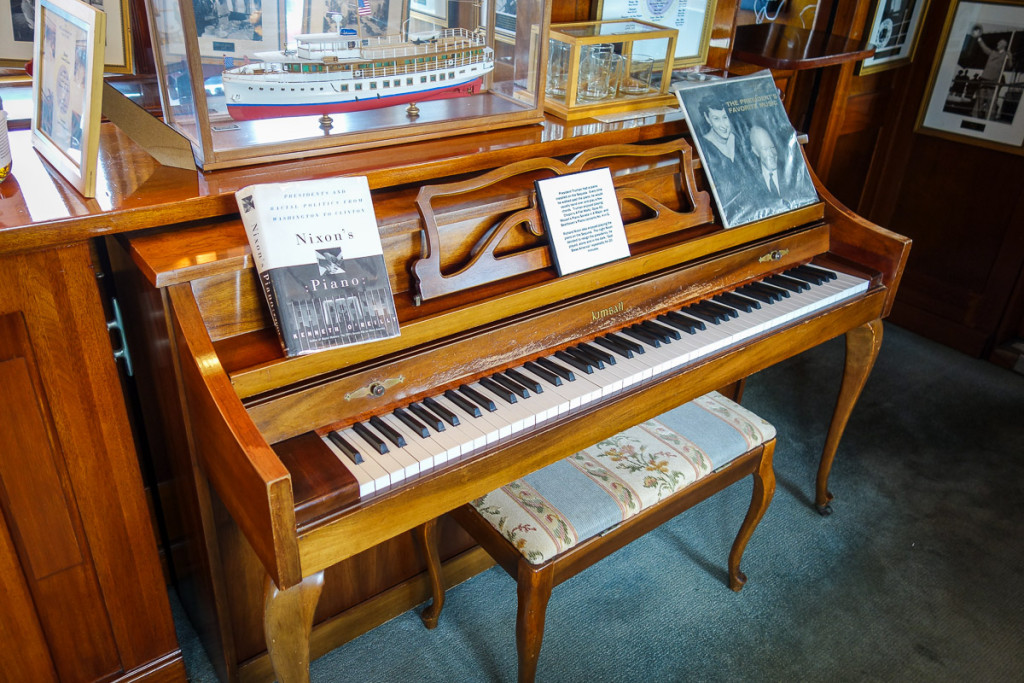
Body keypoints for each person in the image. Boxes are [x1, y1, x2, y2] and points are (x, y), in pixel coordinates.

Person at [695, 93, 745, 215]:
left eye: (725, 117)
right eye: (716, 118)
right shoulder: (704, 145)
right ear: (707, 119)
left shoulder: (740, 141)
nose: (723, 125)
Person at [971, 27, 1014, 119]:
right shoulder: (992, 53)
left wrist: (1010, 58)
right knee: (980, 99)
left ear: (1004, 45)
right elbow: (984, 48)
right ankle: (974, 116)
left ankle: (989, 117)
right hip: (984, 79)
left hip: (994, 81)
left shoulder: (1006, 55)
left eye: (1000, 43)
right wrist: (979, 38)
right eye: (998, 42)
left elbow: (1009, 66)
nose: (997, 44)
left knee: (992, 100)